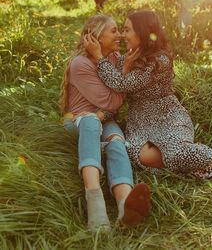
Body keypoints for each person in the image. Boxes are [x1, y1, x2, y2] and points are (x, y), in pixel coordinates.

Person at [84, 10, 212, 179]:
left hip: (168, 117)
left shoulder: (159, 61)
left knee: (176, 153)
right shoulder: (128, 57)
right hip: (140, 123)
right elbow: (115, 85)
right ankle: (210, 160)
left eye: (127, 30)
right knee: (139, 155)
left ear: (142, 32)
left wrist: (99, 57)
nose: (123, 35)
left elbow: (121, 83)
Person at [60, 14, 150, 233]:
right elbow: (112, 100)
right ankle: (95, 204)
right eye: (113, 31)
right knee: (91, 121)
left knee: (117, 141)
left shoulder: (113, 58)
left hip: (105, 120)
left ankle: (125, 206)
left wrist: (107, 110)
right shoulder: (80, 64)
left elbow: (113, 102)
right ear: (97, 37)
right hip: (78, 123)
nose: (119, 35)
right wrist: (109, 105)